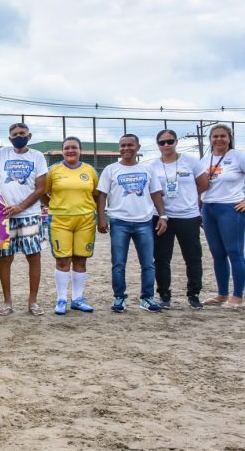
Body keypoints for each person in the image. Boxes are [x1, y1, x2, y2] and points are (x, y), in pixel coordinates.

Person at [0, 122, 47, 316]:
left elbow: (41, 188)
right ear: (9, 138)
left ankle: (33, 302)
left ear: (29, 136)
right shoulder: (2, 153)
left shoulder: (37, 156)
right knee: (5, 258)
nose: (18, 136)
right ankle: (7, 301)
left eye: (22, 133)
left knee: (34, 256)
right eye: (15, 134)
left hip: (29, 215)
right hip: (5, 216)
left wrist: (21, 207)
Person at [97, 134, 167, 313]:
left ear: (138, 147)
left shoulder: (147, 169)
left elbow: (156, 193)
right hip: (119, 222)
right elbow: (102, 195)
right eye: (122, 145)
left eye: (130, 145)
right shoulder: (111, 169)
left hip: (144, 222)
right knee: (119, 263)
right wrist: (102, 218)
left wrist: (162, 216)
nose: (126, 148)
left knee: (148, 263)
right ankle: (119, 297)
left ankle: (147, 297)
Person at [150, 129, 208, 309]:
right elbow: (152, 191)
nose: (166, 145)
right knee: (161, 257)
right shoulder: (152, 166)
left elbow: (204, 183)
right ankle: (164, 295)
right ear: (158, 144)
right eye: (162, 142)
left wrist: (191, 198)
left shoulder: (190, 161)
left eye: (170, 141)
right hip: (162, 217)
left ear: (176, 142)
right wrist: (162, 215)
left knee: (193, 257)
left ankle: (194, 294)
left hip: (188, 216)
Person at [43, 137, 98, 315]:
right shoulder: (53, 170)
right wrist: (53, 206)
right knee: (63, 260)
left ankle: (77, 299)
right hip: (60, 220)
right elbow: (43, 193)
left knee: (81, 259)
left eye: (74, 147)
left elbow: (96, 195)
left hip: (85, 220)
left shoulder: (89, 171)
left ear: (81, 150)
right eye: (67, 148)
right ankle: (61, 299)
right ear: (62, 151)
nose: (70, 151)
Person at [200, 124, 245, 308]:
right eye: (215, 136)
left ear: (230, 138)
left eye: (223, 136)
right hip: (209, 208)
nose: (219, 139)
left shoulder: (238, 156)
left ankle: (237, 296)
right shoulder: (205, 158)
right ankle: (222, 293)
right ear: (210, 139)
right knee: (217, 253)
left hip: (230, 208)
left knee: (234, 252)